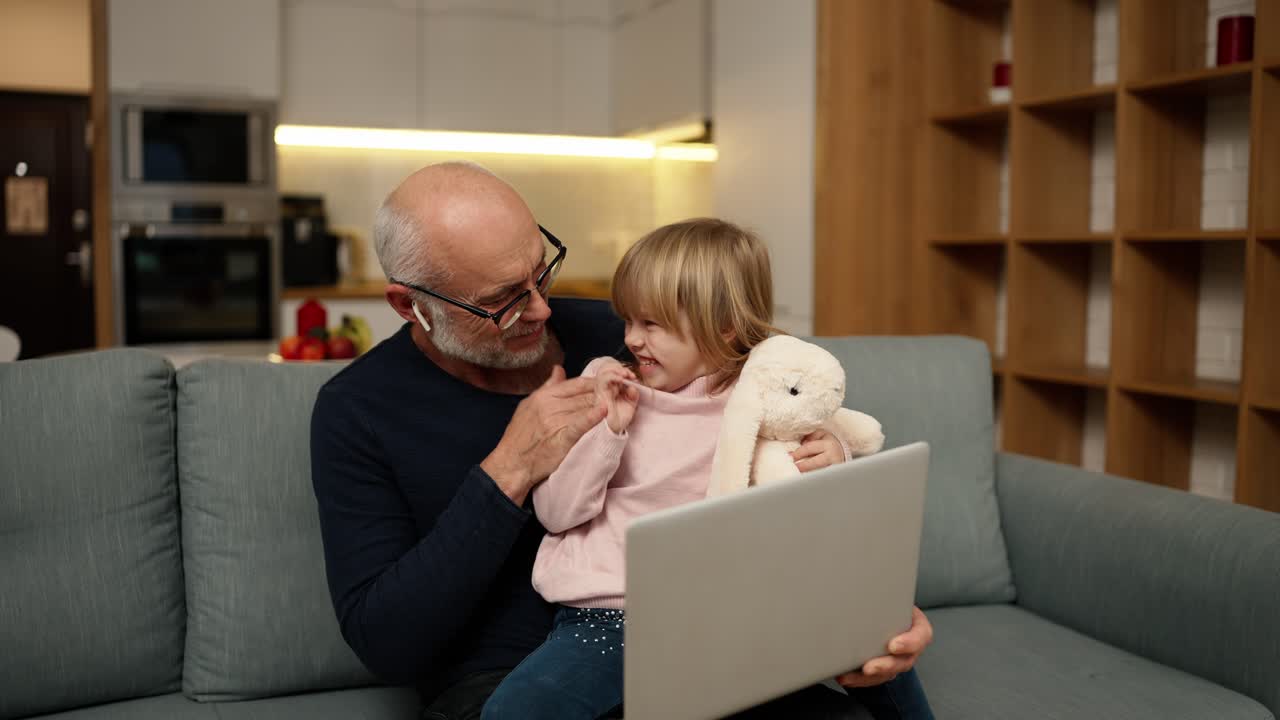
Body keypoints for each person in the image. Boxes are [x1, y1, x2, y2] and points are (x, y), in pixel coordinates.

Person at [310, 161, 934, 720]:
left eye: (540, 270)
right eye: (502, 300)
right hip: (507, 675)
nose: (541, 310)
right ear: (408, 305)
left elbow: (764, 414)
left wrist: (869, 608)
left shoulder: (629, 336)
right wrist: (508, 470)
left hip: (708, 635)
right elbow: (387, 642)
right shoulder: (357, 410)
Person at [478, 219, 934, 720]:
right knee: (517, 711)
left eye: (652, 324)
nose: (630, 339)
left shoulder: (766, 395)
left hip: (739, 610)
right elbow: (558, 512)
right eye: (627, 319)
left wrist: (834, 455)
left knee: (879, 641)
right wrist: (609, 432)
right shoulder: (605, 386)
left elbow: (822, 514)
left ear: (724, 328)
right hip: (617, 615)